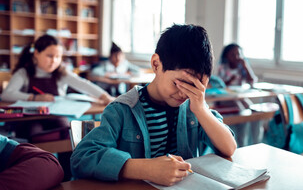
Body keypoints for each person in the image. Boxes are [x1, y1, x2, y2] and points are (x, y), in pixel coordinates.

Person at [71, 24, 237, 186]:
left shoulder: (194, 108)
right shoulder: (122, 110)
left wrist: (201, 110)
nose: (185, 94)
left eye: (195, 87)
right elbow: (82, 158)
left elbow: (229, 148)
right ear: (156, 64)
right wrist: (145, 169)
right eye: (180, 84)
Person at [1, 34, 114, 180]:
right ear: (36, 53)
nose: (54, 61)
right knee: (36, 136)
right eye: (49, 56)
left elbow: (83, 84)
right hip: (31, 118)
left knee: (69, 134)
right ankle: (39, 176)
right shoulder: (24, 72)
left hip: (56, 115)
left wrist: (104, 96)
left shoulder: (61, 73)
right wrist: (33, 97)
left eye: (58, 56)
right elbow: (7, 94)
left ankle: (65, 176)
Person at [216, 43, 261, 146]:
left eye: (238, 54)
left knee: (254, 110)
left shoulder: (242, 67)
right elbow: (219, 85)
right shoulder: (223, 67)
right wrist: (230, 80)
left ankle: (255, 141)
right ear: (226, 56)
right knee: (242, 110)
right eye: (232, 54)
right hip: (227, 98)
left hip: (240, 97)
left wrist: (245, 66)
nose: (236, 57)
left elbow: (252, 81)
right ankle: (241, 140)